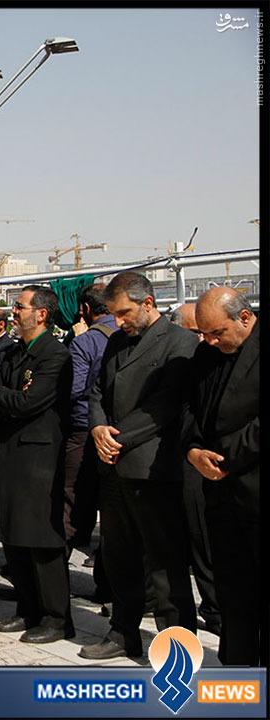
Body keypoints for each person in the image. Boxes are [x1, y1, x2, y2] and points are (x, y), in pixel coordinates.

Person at [80, 271, 199, 660]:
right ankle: (123, 632)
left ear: (148, 303)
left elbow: (163, 406)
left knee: (165, 564)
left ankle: (178, 646)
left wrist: (117, 438)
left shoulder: (181, 343)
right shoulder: (116, 341)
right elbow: (97, 390)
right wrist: (97, 426)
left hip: (152, 470)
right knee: (119, 557)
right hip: (113, 468)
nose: (119, 321)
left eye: (125, 312)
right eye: (114, 313)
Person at [0, 285, 74, 644]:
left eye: (20, 307)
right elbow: (1, 396)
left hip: (38, 458)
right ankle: (29, 608)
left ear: (41, 314)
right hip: (10, 454)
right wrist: (5, 398)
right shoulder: (15, 354)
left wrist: (1, 398)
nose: (14, 312)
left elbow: (27, 402)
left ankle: (56, 617)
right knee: (14, 536)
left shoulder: (54, 354)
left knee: (41, 539)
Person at [184, 287, 261, 666]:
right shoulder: (205, 354)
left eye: (217, 333)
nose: (211, 341)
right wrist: (193, 450)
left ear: (244, 318)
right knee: (232, 594)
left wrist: (224, 457)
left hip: (254, 488)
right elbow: (189, 409)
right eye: (205, 334)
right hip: (219, 496)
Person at [170, 301, 221, 635]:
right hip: (191, 460)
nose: (203, 340)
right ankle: (213, 610)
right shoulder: (190, 362)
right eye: (196, 332)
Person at [64, 285, 116, 556]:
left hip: (83, 426)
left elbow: (74, 388)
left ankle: (68, 542)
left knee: (73, 490)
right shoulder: (127, 334)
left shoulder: (85, 341)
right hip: (117, 428)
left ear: (85, 309)